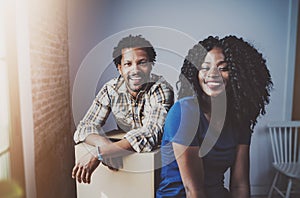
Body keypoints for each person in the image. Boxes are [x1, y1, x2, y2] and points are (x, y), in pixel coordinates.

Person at [156, 36, 272, 198]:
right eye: (205, 67)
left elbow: (239, 185)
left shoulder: (240, 120)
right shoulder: (184, 112)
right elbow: (193, 191)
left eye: (223, 68)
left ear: (237, 74)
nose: (212, 74)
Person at [71, 35, 174, 184]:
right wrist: (104, 145)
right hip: (124, 163)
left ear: (151, 65)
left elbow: (151, 132)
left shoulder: (161, 89)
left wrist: (99, 153)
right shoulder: (111, 89)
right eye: (128, 64)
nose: (135, 70)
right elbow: (84, 127)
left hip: (161, 166)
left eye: (142, 63)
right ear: (120, 68)